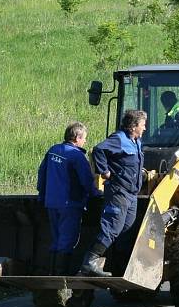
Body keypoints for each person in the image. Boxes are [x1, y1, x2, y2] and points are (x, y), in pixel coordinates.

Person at [80, 110, 147, 277]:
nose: (145, 128)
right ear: (133, 126)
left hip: (132, 194)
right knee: (112, 227)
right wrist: (105, 171)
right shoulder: (119, 139)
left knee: (127, 227)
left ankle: (118, 265)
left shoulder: (136, 141)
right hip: (119, 191)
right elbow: (98, 150)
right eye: (142, 125)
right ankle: (90, 262)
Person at [36, 122, 101, 275]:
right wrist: (96, 194)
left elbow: (42, 174)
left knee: (56, 238)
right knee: (67, 240)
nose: (85, 141)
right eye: (84, 138)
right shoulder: (77, 156)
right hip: (70, 204)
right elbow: (86, 181)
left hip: (51, 202)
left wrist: (42, 194)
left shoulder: (53, 151)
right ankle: (60, 276)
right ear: (77, 137)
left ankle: (52, 272)